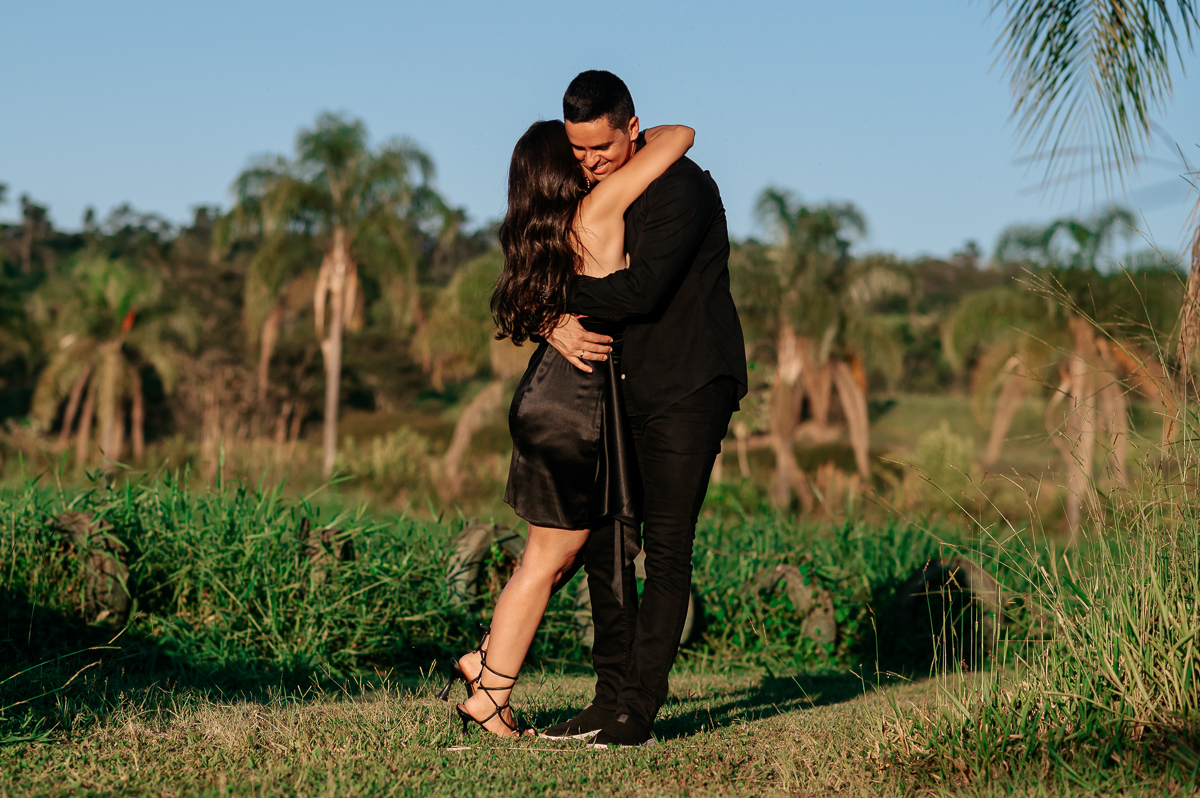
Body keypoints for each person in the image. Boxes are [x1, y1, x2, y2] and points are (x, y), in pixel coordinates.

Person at [436, 114, 697, 738]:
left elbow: (522, 300)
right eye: (577, 154)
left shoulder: (538, 233)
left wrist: (552, 318)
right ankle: (490, 698)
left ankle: (485, 661)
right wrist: (625, 136)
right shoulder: (600, 209)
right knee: (547, 557)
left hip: (549, 395)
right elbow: (680, 135)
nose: (591, 161)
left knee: (554, 556)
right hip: (573, 405)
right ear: (564, 168)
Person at [538, 70, 746, 748]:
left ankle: (639, 709)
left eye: (601, 148)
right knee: (605, 542)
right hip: (623, 390)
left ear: (634, 128)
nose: (591, 163)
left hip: (691, 385)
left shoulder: (684, 187)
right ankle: (606, 699)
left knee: (666, 547)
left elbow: (644, 290)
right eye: (579, 152)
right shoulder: (605, 190)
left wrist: (554, 295)